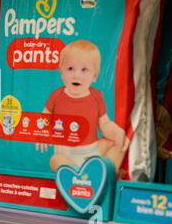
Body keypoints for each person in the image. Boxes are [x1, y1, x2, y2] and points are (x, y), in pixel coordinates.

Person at [36, 40, 128, 172]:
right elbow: (44, 116)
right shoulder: (57, 95)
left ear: (94, 76)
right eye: (70, 69)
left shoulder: (97, 96)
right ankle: (78, 176)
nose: (76, 75)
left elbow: (105, 124)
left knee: (120, 142)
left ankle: (105, 173)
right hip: (66, 154)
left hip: (92, 152)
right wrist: (41, 132)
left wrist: (117, 133)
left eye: (84, 70)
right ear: (62, 73)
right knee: (55, 159)